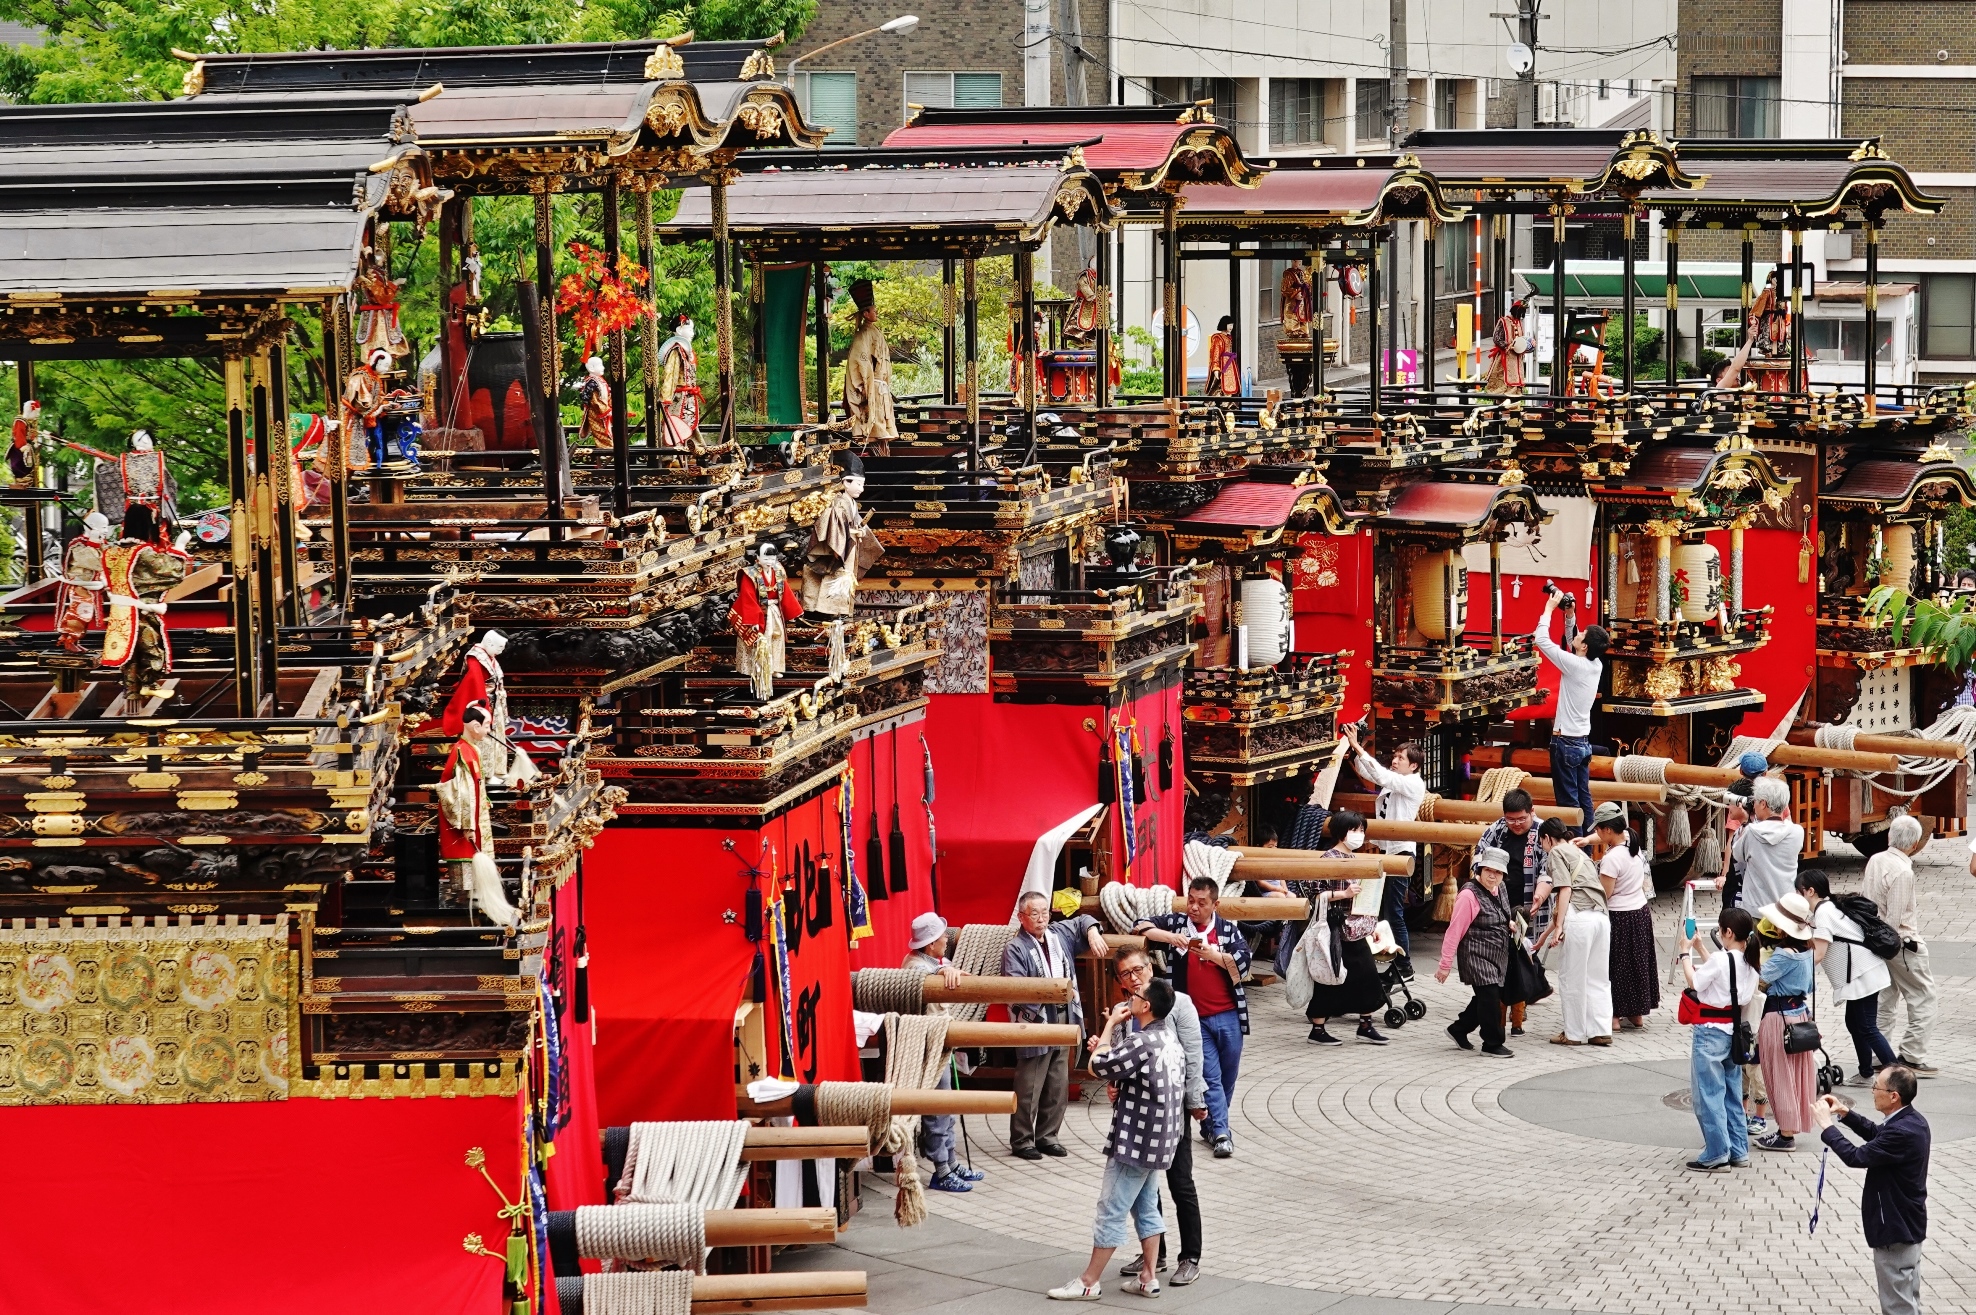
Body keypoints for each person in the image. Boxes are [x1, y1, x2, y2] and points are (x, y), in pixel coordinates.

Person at [1047, 978, 1184, 1302]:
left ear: (1146, 1006)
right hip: (1161, 1140)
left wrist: (1109, 1025)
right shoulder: (1169, 1039)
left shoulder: (1142, 1041)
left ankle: (1088, 1281)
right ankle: (1148, 1277)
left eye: (1134, 996)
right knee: (1147, 1207)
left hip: (1135, 1141)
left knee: (1111, 1208)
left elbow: (1097, 1066)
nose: (1130, 999)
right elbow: (1118, 1069)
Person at [1133, 877, 1250, 1159]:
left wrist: (1215, 955)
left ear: (1215, 904)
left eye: (1201, 903)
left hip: (1229, 1014)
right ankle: (1222, 1133)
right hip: (1195, 1020)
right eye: (1191, 901)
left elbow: (1244, 961)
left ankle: (1210, 1125)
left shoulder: (1227, 930)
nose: (1194, 907)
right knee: (1208, 1075)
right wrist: (1170, 937)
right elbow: (1140, 924)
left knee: (1228, 1076)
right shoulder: (1177, 924)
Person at [1112, 948, 1204, 1288]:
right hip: (1139, 1113)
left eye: (1139, 969)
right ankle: (1155, 1254)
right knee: (1145, 1187)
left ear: (1151, 968)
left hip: (1172, 1108)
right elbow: (1123, 1059)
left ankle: (1190, 1257)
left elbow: (1193, 1055)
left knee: (1180, 1183)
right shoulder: (1125, 1009)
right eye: (1126, 973)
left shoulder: (1180, 1004)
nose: (1134, 977)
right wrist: (1114, 1085)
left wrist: (1196, 1100)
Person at [1003, 890, 1111, 1160]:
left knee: (1058, 1080)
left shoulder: (1057, 934)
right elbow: (1015, 988)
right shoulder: (1015, 948)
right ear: (1021, 917)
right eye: (1034, 914)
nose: (1041, 919)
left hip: (1065, 1016)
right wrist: (1050, 994)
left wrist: (1094, 933)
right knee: (1031, 1082)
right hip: (1036, 1020)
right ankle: (1023, 1140)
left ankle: (1048, 1136)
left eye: (1044, 913)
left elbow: (1083, 920)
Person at [1814, 1066, 1930, 1315]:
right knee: (1907, 1299)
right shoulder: (1911, 1121)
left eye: (1876, 1086)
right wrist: (1845, 1113)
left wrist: (1826, 1126)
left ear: (1893, 1096)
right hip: (1908, 1224)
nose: (1872, 1090)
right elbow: (1878, 1135)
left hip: (1896, 1229)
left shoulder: (1901, 1131)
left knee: (1898, 1306)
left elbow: (1856, 1156)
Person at [1294, 809, 1392, 1046]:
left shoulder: (1356, 860)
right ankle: (1317, 1029)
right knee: (1329, 977)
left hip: (1356, 928)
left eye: (1361, 830)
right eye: (1354, 830)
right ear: (1341, 832)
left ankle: (1365, 1025)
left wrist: (1371, 925)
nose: (1359, 834)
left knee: (1368, 975)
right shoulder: (1327, 859)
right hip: (1334, 928)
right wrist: (1342, 894)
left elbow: (1364, 899)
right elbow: (1312, 894)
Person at [903, 913, 983, 1193]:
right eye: (941, 938)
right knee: (938, 1108)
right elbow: (921, 979)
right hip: (929, 1049)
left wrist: (946, 970)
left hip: (940, 1044)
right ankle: (941, 1171)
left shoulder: (929, 962)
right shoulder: (917, 967)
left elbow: (942, 969)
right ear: (929, 945)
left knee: (947, 1105)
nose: (946, 940)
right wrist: (940, 973)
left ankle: (950, 1160)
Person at [1678, 906, 1759, 1171]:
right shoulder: (1750, 961)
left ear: (1727, 932)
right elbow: (1726, 976)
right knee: (1732, 1095)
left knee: (1708, 1095)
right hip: (1733, 1033)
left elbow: (1695, 982)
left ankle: (1716, 1152)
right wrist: (1702, 949)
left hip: (1710, 1032)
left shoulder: (1721, 961)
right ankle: (1738, 1151)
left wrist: (1684, 953)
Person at [1799, 868, 1897, 1085]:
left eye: (1800, 892)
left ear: (1810, 891)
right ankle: (1865, 1073)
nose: (1799, 896)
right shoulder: (1828, 907)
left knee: (1867, 1027)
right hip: (1864, 972)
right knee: (1854, 1023)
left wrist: (1795, 966)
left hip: (1863, 974)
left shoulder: (1824, 912)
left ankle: (1898, 1076)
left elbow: (1820, 953)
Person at [1344, 723, 1424, 975]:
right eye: (1396, 756)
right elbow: (1369, 773)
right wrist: (1357, 750)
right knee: (1386, 910)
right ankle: (1392, 960)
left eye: (1401, 758)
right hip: (1390, 852)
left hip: (1401, 853)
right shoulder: (1398, 780)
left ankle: (1404, 965)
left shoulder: (1412, 783)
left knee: (1394, 911)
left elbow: (1380, 776)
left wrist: (1358, 746)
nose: (1395, 760)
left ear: (1414, 766)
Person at [1532, 586, 1608, 834]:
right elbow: (1571, 640)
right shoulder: (1594, 664)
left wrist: (1548, 609)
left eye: (1582, 634)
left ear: (1585, 646)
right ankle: (1586, 847)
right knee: (1583, 798)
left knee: (1568, 803)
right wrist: (1569, 616)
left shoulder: (1575, 665)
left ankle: (1576, 848)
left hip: (1565, 743)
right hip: (1581, 742)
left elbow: (1541, 640)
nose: (1579, 634)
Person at [1868, 815, 1938, 1076]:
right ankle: (1911, 1054)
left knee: (1885, 998)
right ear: (1915, 844)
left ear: (1889, 837)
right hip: (1899, 944)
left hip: (1876, 941)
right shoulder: (1903, 871)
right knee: (1923, 997)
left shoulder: (1876, 860)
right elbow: (1894, 921)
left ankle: (1878, 1054)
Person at [435, 705, 518, 927]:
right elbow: (462, 793)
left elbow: (475, 788)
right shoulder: (462, 752)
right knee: (467, 857)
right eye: (487, 725)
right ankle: (467, 901)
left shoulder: (472, 749)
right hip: (466, 819)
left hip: (475, 814)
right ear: (475, 726)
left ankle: (477, 896)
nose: (489, 730)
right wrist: (467, 824)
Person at [1533, 815, 1610, 1047]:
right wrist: (1550, 932)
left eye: (1542, 842)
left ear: (1547, 838)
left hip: (1579, 917)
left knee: (1572, 977)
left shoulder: (1556, 852)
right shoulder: (1579, 852)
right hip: (1600, 917)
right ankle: (1600, 1030)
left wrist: (1558, 928)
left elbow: (1565, 890)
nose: (1543, 847)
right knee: (1597, 977)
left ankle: (1574, 1033)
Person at [1750, 893, 1819, 1154]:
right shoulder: (1806, 953)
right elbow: (1810, 986)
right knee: (1797, 1075)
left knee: (1778, 1074)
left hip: (1778, 1018)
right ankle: (1791, 1127)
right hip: (1800, 1015)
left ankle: (1785, 1134)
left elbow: (1757, 979)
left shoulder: (1784, 955)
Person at [99, 502, 189, 701]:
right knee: (149, 647)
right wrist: (180, 546)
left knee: (131, 652)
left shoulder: (111, 552)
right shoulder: (143, 552)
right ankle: (149, 683)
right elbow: (172, 571)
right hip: (141, 610)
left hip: (120, 612)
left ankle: (131, 690)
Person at [1436, 845, 1517, 1059]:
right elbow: (1454, 931)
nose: (1493, 875)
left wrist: (1509, 923)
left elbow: (1503, 913)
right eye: (1488, 869)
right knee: (1490, 997)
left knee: (1487, 996)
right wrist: (1445, 965)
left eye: (1498, 872)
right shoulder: (1468, 896)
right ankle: (1492, 1043)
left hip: (1498, 954)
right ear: (1479, 869)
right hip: (1476, 954)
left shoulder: (1501, 889)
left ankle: (1459, 1029)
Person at [1477, 789, 1542, 1035]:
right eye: (1510, 819)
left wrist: (1541, 895)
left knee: (1523, 955)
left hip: (1527, 905)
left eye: (1520, 819)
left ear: (1531, 812)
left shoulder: (1540, 831)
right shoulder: (1496, 830)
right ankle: (1506, 1003)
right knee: (1502, 955)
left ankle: (1520, 1002)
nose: (1515, 824)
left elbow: (1548, 869)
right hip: (1498, 903)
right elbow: (1479, 856)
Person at [1594, 804, 1659, 1030]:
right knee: (1637, 963)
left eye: (1599, 830)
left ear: (1608, 830)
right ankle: (1636, 1013)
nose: (1598, 835)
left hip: (1619, 916)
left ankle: (1613, 1015)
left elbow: (1605, 893)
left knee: (1615, 965)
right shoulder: (1634, 847)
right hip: (1640, 913)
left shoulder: (1612, 858)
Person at [1734, 775, 1804, 914]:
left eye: (1755, 801)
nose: (1753, 805)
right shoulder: (1797, 832)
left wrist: (1744, 821)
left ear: (1763, 804)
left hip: (1756, 908)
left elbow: (1737, 855)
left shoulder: (1751, 832)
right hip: (1786, 907)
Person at [842, 278, 897, 453]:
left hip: (881, 390)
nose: (877, 311)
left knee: (882, 435)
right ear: (866, 314)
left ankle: (882, 457)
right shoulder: (863, 335)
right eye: (874, 309)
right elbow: (860, 363)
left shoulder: (874, 332)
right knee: (874, 433)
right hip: (873, 389)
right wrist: (867, 389)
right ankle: (876, 459)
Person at [51, 511, 111, 654]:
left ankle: (75, 640)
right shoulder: (78, 544)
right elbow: (94, 563)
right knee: (80, 612)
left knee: (85, 614)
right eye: (103, 527)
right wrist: (94, 544)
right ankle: (69, 639)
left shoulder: (100, 544)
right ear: (92, 527)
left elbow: (108, 560)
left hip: (92, 586)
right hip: (80, 585)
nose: (106, 531)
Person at [1483, 298, 1531, 394]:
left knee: (1516, 380)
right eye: (1521, 312)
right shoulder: (1504, 321)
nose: (1521, 315)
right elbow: (1496, 338)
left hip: (1517, 358)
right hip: (1505, 357)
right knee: (1502, 383)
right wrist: (1507, 346)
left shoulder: (1519, 323)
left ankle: (1513, 400)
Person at [576, 355, 612, 447]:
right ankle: (606, 454)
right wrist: (606, 411)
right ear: (591, 368)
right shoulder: (592, 382)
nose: (603, 367)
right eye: (600, 365)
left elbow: (607, 396)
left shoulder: (600, 381)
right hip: (597, 412)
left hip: (604, 410)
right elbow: (594, 400)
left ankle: (608, 453)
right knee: (602, 433)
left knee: (607, 432)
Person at [1205, 315, 1239, 396]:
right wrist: (1216, 368)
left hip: (1230, 363)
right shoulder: (1218, 338)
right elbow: (1215, 354)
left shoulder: (1229, 337)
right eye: (1229, 325)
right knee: (1220, 385)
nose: (1231, 327)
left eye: (1232, 325)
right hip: (1223, 365)